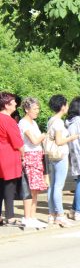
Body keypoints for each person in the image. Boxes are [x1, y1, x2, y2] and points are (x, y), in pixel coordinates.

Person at [48, 95, 79, 225]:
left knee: (53, 185)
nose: (67, 107)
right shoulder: (59, 122)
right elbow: (59, 141)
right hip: (60, 156)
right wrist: (72, 137)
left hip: (51, 155)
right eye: (65, 104)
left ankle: (52, 214)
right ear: (62, 106)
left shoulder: (51, 120)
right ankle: (60, 214)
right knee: (58, 186)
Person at [18, 98, 48, 229]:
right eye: (35, 109)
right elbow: (35, 141)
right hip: (29, 156)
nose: (37, 111)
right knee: (29, 188)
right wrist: (43, 136)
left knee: (35, 189)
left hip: (37, 156)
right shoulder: (23, 123)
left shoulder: (34, 123)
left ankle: (32, 216)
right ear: (26, 109)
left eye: (38, 109)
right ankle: (27, 216)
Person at [0, 92, 23, 227]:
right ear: (7, 104)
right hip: (9, 157)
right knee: (9, 188)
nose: (15, 104)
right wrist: (24, 155)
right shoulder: (9, 120)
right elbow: (17, 143)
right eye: (13, 102)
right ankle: (10, 217)